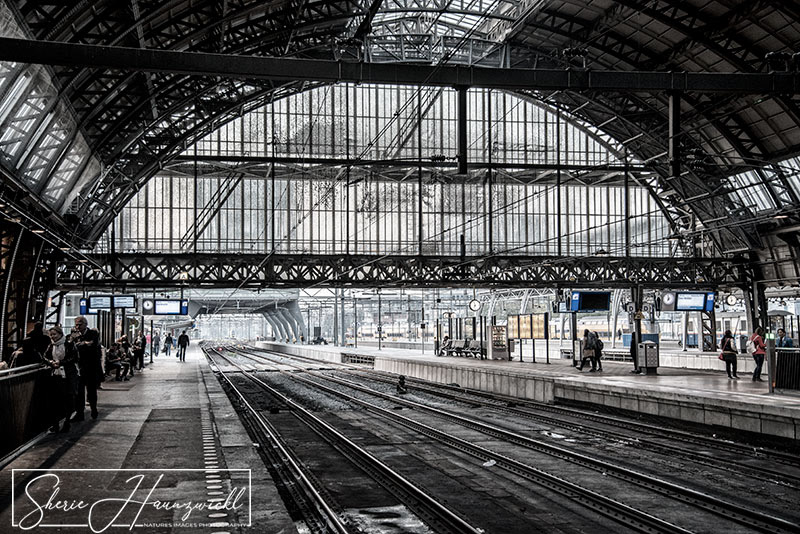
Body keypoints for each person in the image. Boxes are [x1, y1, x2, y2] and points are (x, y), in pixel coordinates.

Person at [43, 326, 79, 432]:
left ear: (60, 334)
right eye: (51, 335)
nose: (53, 337)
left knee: (67, 400)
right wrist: (50, 362)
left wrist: (61, 362)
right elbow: (45, 357)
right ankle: (55, 424)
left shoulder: (69, 344)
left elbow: (74, 358)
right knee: (55, 401)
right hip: (56, 375)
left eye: (54, 334)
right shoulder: (51, 346)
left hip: (68, 376)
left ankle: (66, 422)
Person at [71, 316, 101, 421]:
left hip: (91, 367)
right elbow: (72, 347)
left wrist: (81, 344)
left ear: (85, 324)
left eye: (80, 324)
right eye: (76, 324)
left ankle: (94, 409)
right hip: (79, 367)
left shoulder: (93, 334)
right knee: (79, 392)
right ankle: (80, 413)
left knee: (91, 390)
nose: (78, 326)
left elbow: (93, 346)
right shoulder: (74, 335)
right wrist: (84, 344)